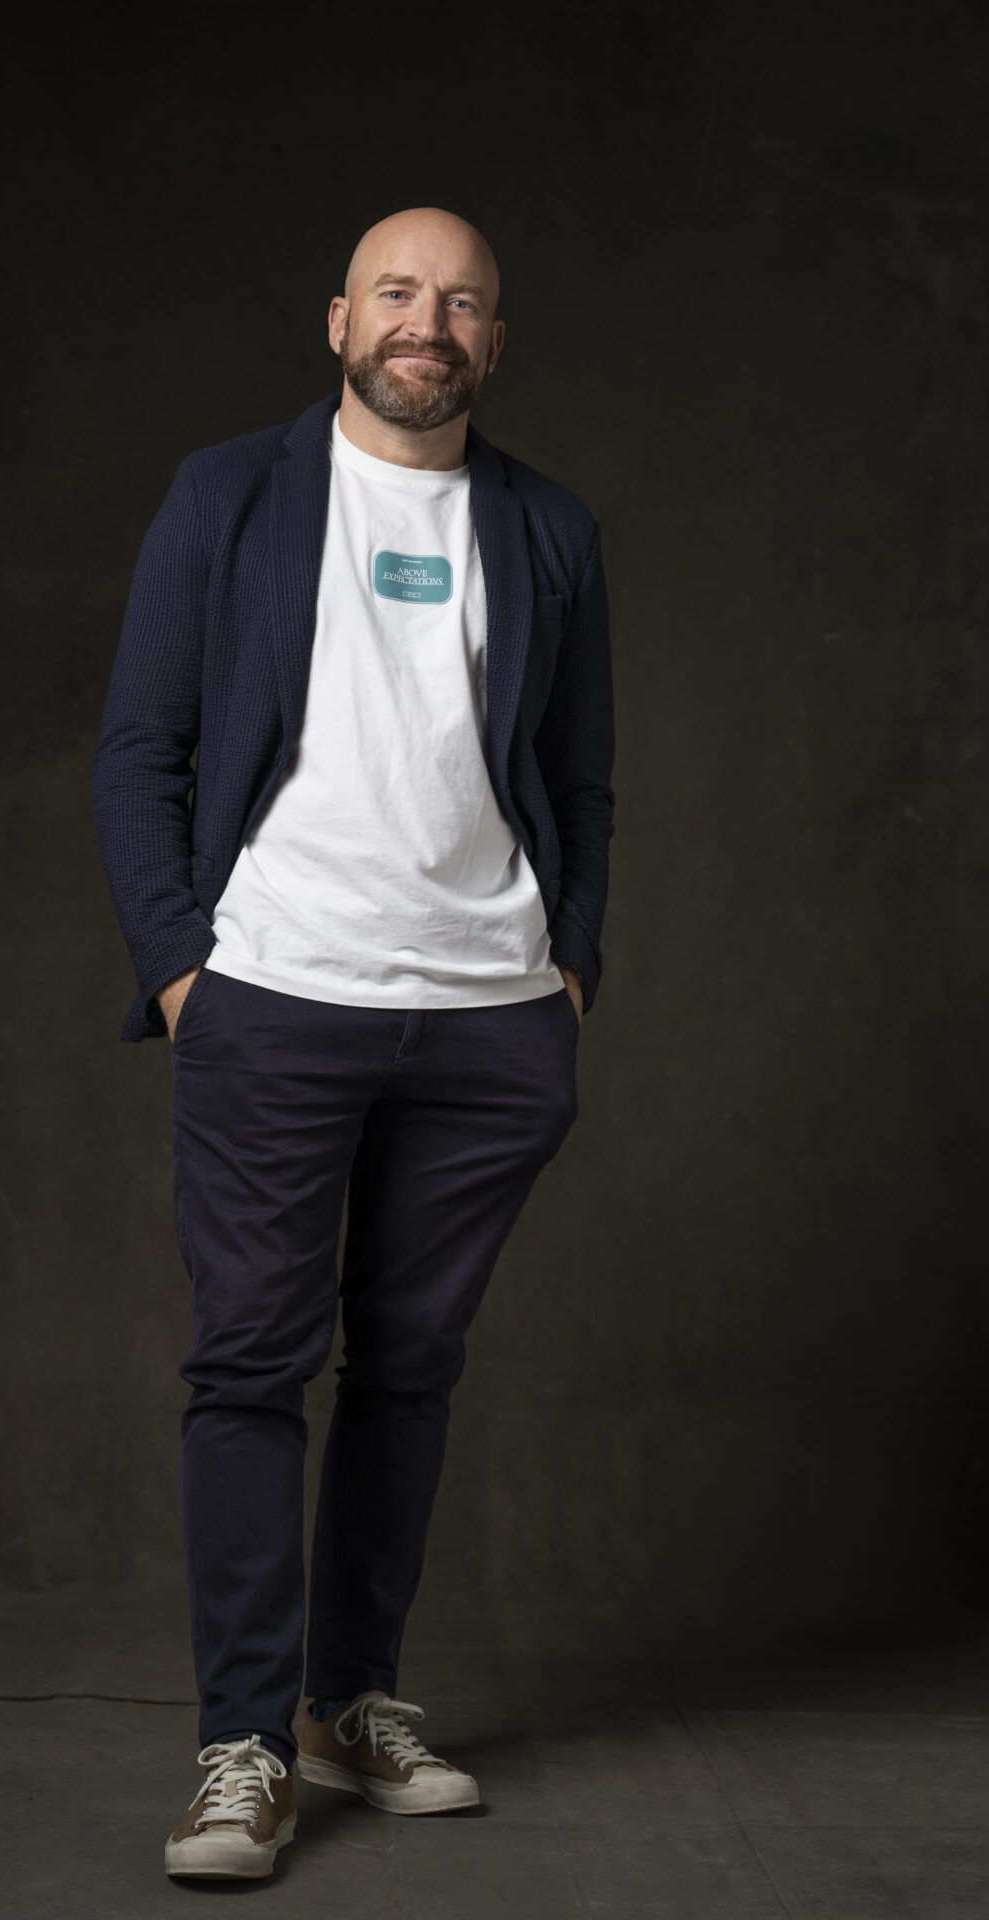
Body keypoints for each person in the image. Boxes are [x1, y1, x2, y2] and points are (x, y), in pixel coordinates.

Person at [92, 206, 616, 1881]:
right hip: (276, 997)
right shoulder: (228, 495)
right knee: (252, 1362)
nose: (425, 323)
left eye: (460, 302)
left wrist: (569, 969)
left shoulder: (549, 526)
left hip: (489, 1021)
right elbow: (140, 749)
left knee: (407, 1368)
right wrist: (187, 971)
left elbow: (583, 777)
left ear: (493, 342)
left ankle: (349, 1701)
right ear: (339, 319)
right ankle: (242, 1747)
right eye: (398, 291)